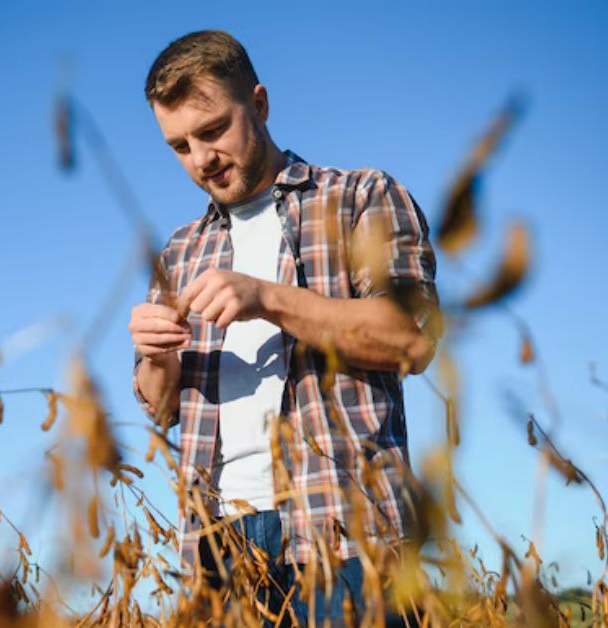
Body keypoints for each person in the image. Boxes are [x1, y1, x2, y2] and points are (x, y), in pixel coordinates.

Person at [130, 30, 440, 626]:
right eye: (179, 146)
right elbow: (163, 407)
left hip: (349, 531)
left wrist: (267, 297)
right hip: (220, 543)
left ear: (261, 104)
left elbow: (412, 337)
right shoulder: (179, 250)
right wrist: (155, 357)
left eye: (213, 129)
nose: (200, 159)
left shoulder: (360, 198)